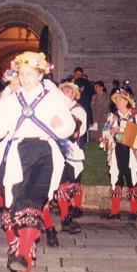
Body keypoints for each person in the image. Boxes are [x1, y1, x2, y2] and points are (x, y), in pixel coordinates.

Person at [0, 51, 75, 272]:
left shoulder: (53, 97)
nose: (24, 77)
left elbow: (68, 126)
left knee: (33, 208)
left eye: (30, 73)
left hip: (45, 154)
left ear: (41, 73)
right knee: (17, 213)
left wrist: (59, 124)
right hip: (18, 157)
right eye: (21, 73)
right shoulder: (10, 100)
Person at [100, 86, 137, 221]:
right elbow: (105, 132)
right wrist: (112, 132)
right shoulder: (112, 117)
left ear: (126, 102)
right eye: (116, 100)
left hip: (131, 153)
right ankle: (114, 211)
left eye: (120, 100)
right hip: (116, 151)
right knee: (116, 180)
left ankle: (134, 212)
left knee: (132, 180)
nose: (117, 102)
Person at [56, 81, 87, 232]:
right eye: (64, 91)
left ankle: (70, 212)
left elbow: (73, 132)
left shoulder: (78, 110)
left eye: (69, 91)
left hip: (71, 150)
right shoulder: (58, 107)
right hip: (56, 151)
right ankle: (64, 215)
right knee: (60, 184)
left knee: (70, 183)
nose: (65, 93)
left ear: (74, 94)